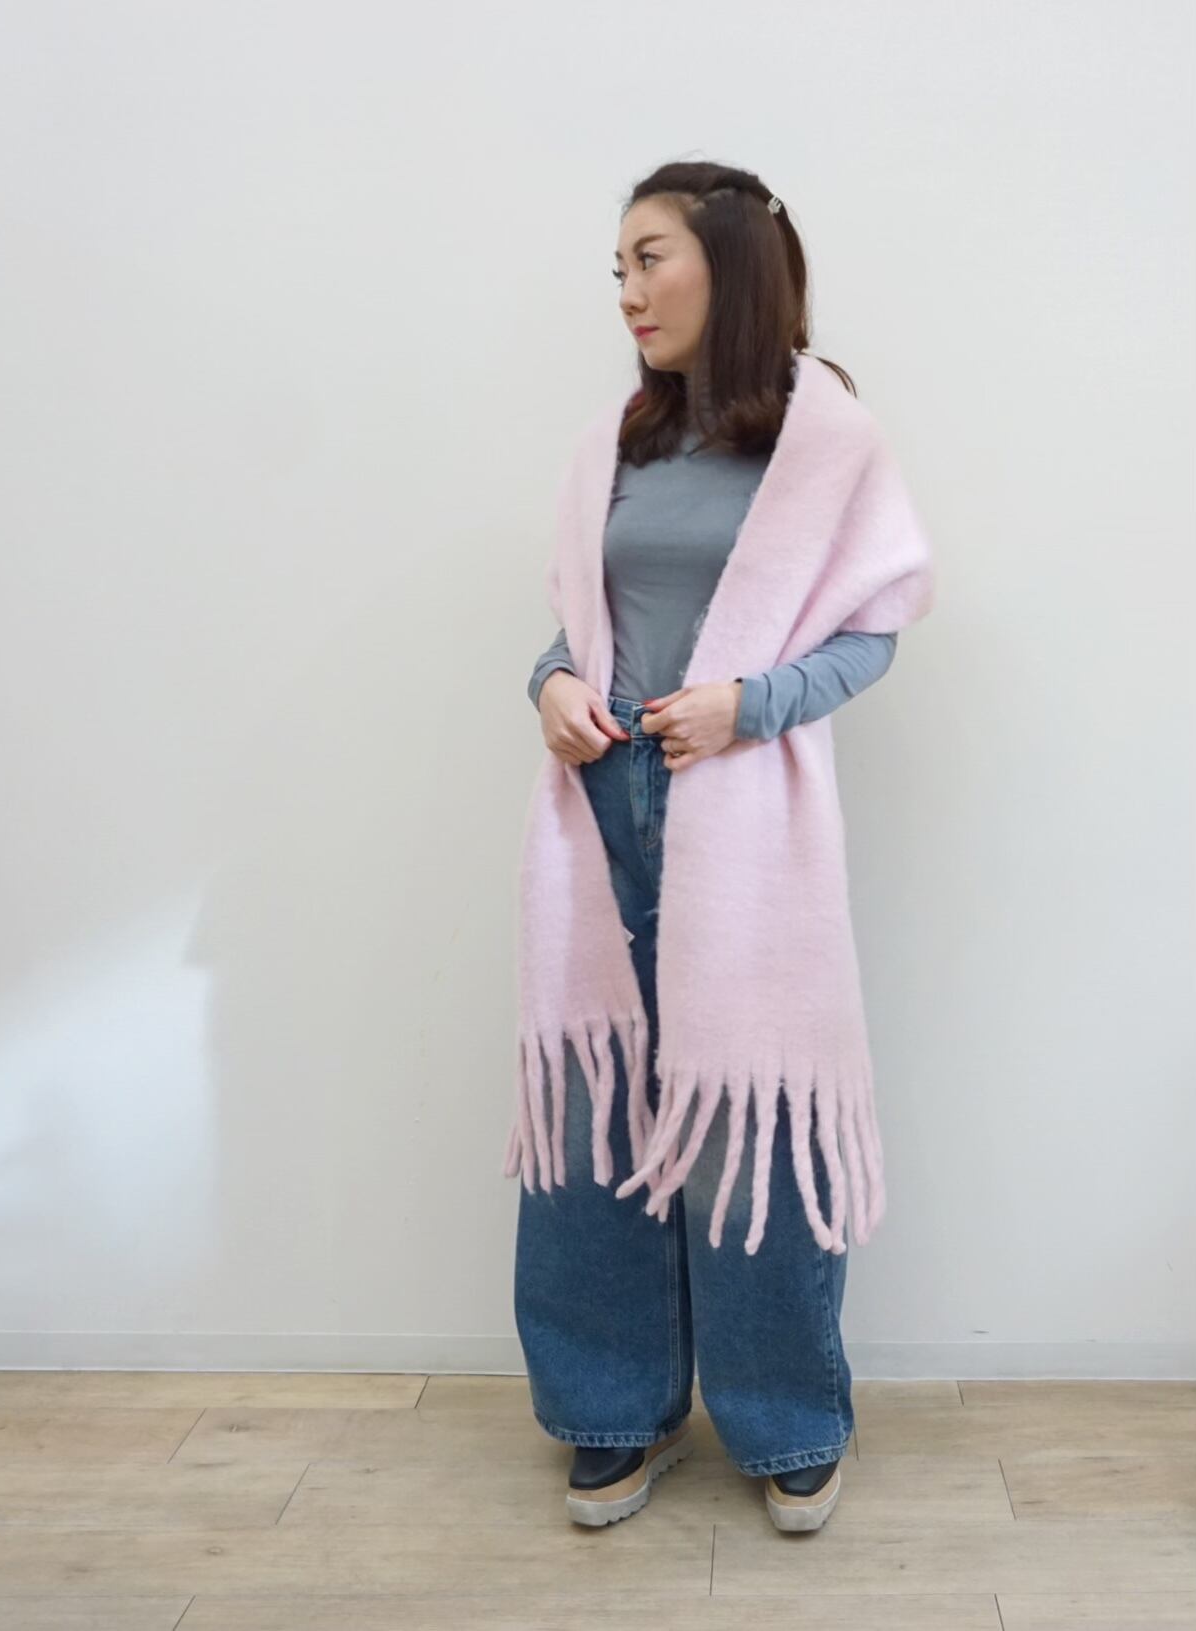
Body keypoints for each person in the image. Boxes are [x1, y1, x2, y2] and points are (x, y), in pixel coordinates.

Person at [512, 160, 913, 1532]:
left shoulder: (825, 439)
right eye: (618, 267)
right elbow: (585, 627)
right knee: (597, 1108)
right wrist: (550, 685)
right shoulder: (617, 443)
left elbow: (872, 632)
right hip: (601, 804)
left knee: (756, 1112)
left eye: (650, 258)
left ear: (730, 264)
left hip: (739, 815)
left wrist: (752, 706)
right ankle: (609, 1408)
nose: (627, 291)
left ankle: (787, 1415)